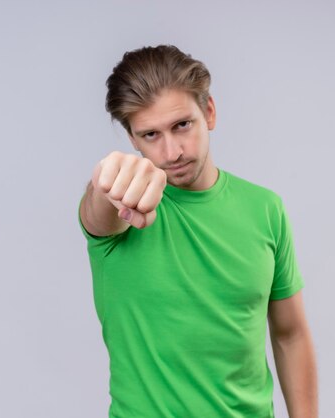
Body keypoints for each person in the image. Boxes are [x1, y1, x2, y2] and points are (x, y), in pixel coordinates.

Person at [78, 44, 318, 418]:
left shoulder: (265, 209)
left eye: (182, 125)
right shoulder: (124, 206)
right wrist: (104, 183)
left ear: (209, 112)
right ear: (132, 140)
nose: (172, 151)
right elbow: (98, 213)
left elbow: (291, 334)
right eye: (150, 135)